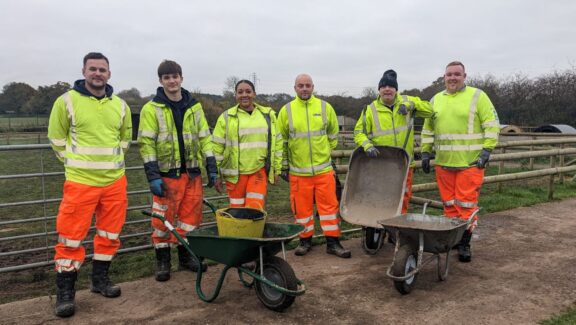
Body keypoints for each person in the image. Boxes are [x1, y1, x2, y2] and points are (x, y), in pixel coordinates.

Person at [48, 52, 132, 317]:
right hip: (80, 183)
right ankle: (65, 293)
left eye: (102, 69)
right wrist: (74, 162)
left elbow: (125, 137)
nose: (98, 73)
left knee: (109, 234)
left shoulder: (120, 105)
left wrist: (113, 161)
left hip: (115, 182)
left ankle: (100, 281)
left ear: (109, 73)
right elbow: (56, 138)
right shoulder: (66, 101)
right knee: (70, 237)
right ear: (84, 71)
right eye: (93, 69)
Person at [137, 60, 218, 282]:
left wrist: (211, 167)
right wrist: (153, 175)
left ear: (182, 78)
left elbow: (204, 137)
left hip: (192, 173)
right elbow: (146, 143)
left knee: (189, 219)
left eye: (175, 76)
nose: (172, 81)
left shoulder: (195, 106)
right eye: (167, 77)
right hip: (166, 175)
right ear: (161, 81)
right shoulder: (151, 108)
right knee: (162, 220)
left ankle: (185, 257)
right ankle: (163, 261)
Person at [421, 61, 500, 262]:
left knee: (466, 206)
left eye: (457, 74)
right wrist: (425, 152)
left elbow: (491, 124)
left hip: (470, 163)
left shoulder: (478, 96)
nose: (453, 78)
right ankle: (453, 239)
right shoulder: (436, 100)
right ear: (444, 77)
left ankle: (464, 243)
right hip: (444, 163)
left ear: (465, 76)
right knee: (449, 206)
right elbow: (428, 129)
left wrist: (487, 150)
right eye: (449, 74)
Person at [277, 74, 351, 258]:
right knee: (302, 210)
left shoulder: (325, 107)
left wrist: (325, 149)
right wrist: (284, 166)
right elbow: (281, 141)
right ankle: (305, 242)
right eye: (300, 85)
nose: (304, 88)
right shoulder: (286, 111)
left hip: (323, 170)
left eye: (307, 85)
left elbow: (333, 133)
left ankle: (333, 243)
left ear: (313, 87)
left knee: (329, 208)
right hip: (298, 172)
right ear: (294, 88)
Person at [354, 69, 433, 214]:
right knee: (380, 197)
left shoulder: (407, 101)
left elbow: (430, 111)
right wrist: (367, 146)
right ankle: (379, 227)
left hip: (404, 163)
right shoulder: (370, 110)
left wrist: (412, 106)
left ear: (396, 90)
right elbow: (359, 133)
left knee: (403, 197)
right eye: (383, 87)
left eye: (391, 86)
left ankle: (396, 230)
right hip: (380, 163)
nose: (387, 89)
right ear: (379, 90)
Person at [212, 80, 282, 209]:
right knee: (237, 211)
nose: (244, 95)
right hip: (235, 175)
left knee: (255, 210)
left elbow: (277, 144)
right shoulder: (226, 118)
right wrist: (215, 174)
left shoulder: (267, 116)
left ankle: (254, 230)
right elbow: (216, 148)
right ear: (235, 95)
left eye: (248, 91)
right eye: (240, 92)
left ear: (254, 94)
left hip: (258, 171)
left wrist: (276, 169)